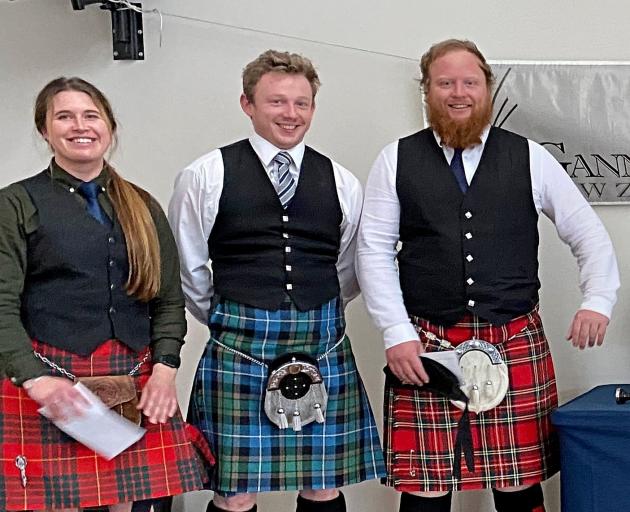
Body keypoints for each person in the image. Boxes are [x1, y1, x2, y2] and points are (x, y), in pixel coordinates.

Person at [356, 39, 619, 512]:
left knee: (518, 483)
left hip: (513, 336)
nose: (459, 93)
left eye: (470, 82)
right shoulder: (395, 159)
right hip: (428, 342)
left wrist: (597, 299)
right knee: (425, 488)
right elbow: (372, 251)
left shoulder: (530, 157)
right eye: (445, 83)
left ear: (488, 89)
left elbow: (589, 235)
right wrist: (396, 333)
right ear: (427, 91)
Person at [168, 49, 385, 512]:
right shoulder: (207, 174)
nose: (291, 114)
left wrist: (320, 310)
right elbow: (187, 267)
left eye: (301, 103)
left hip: (321, 339)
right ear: (248, 104)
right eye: (277, 102)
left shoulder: (342, 180)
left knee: (323, 480)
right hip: (239, 346)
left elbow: (349, 265)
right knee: (234, 489)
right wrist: (230, 317)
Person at [0, 77, 211, 512]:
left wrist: (166, 370)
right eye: (64, 116)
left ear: (109, 127)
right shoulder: (16, 203)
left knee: (137, 504)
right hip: (48, 377)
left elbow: (168, 300)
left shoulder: (143, 205)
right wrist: (33, 378)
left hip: (135, 377)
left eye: (91, 115)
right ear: (45, 130)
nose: (80, 125)